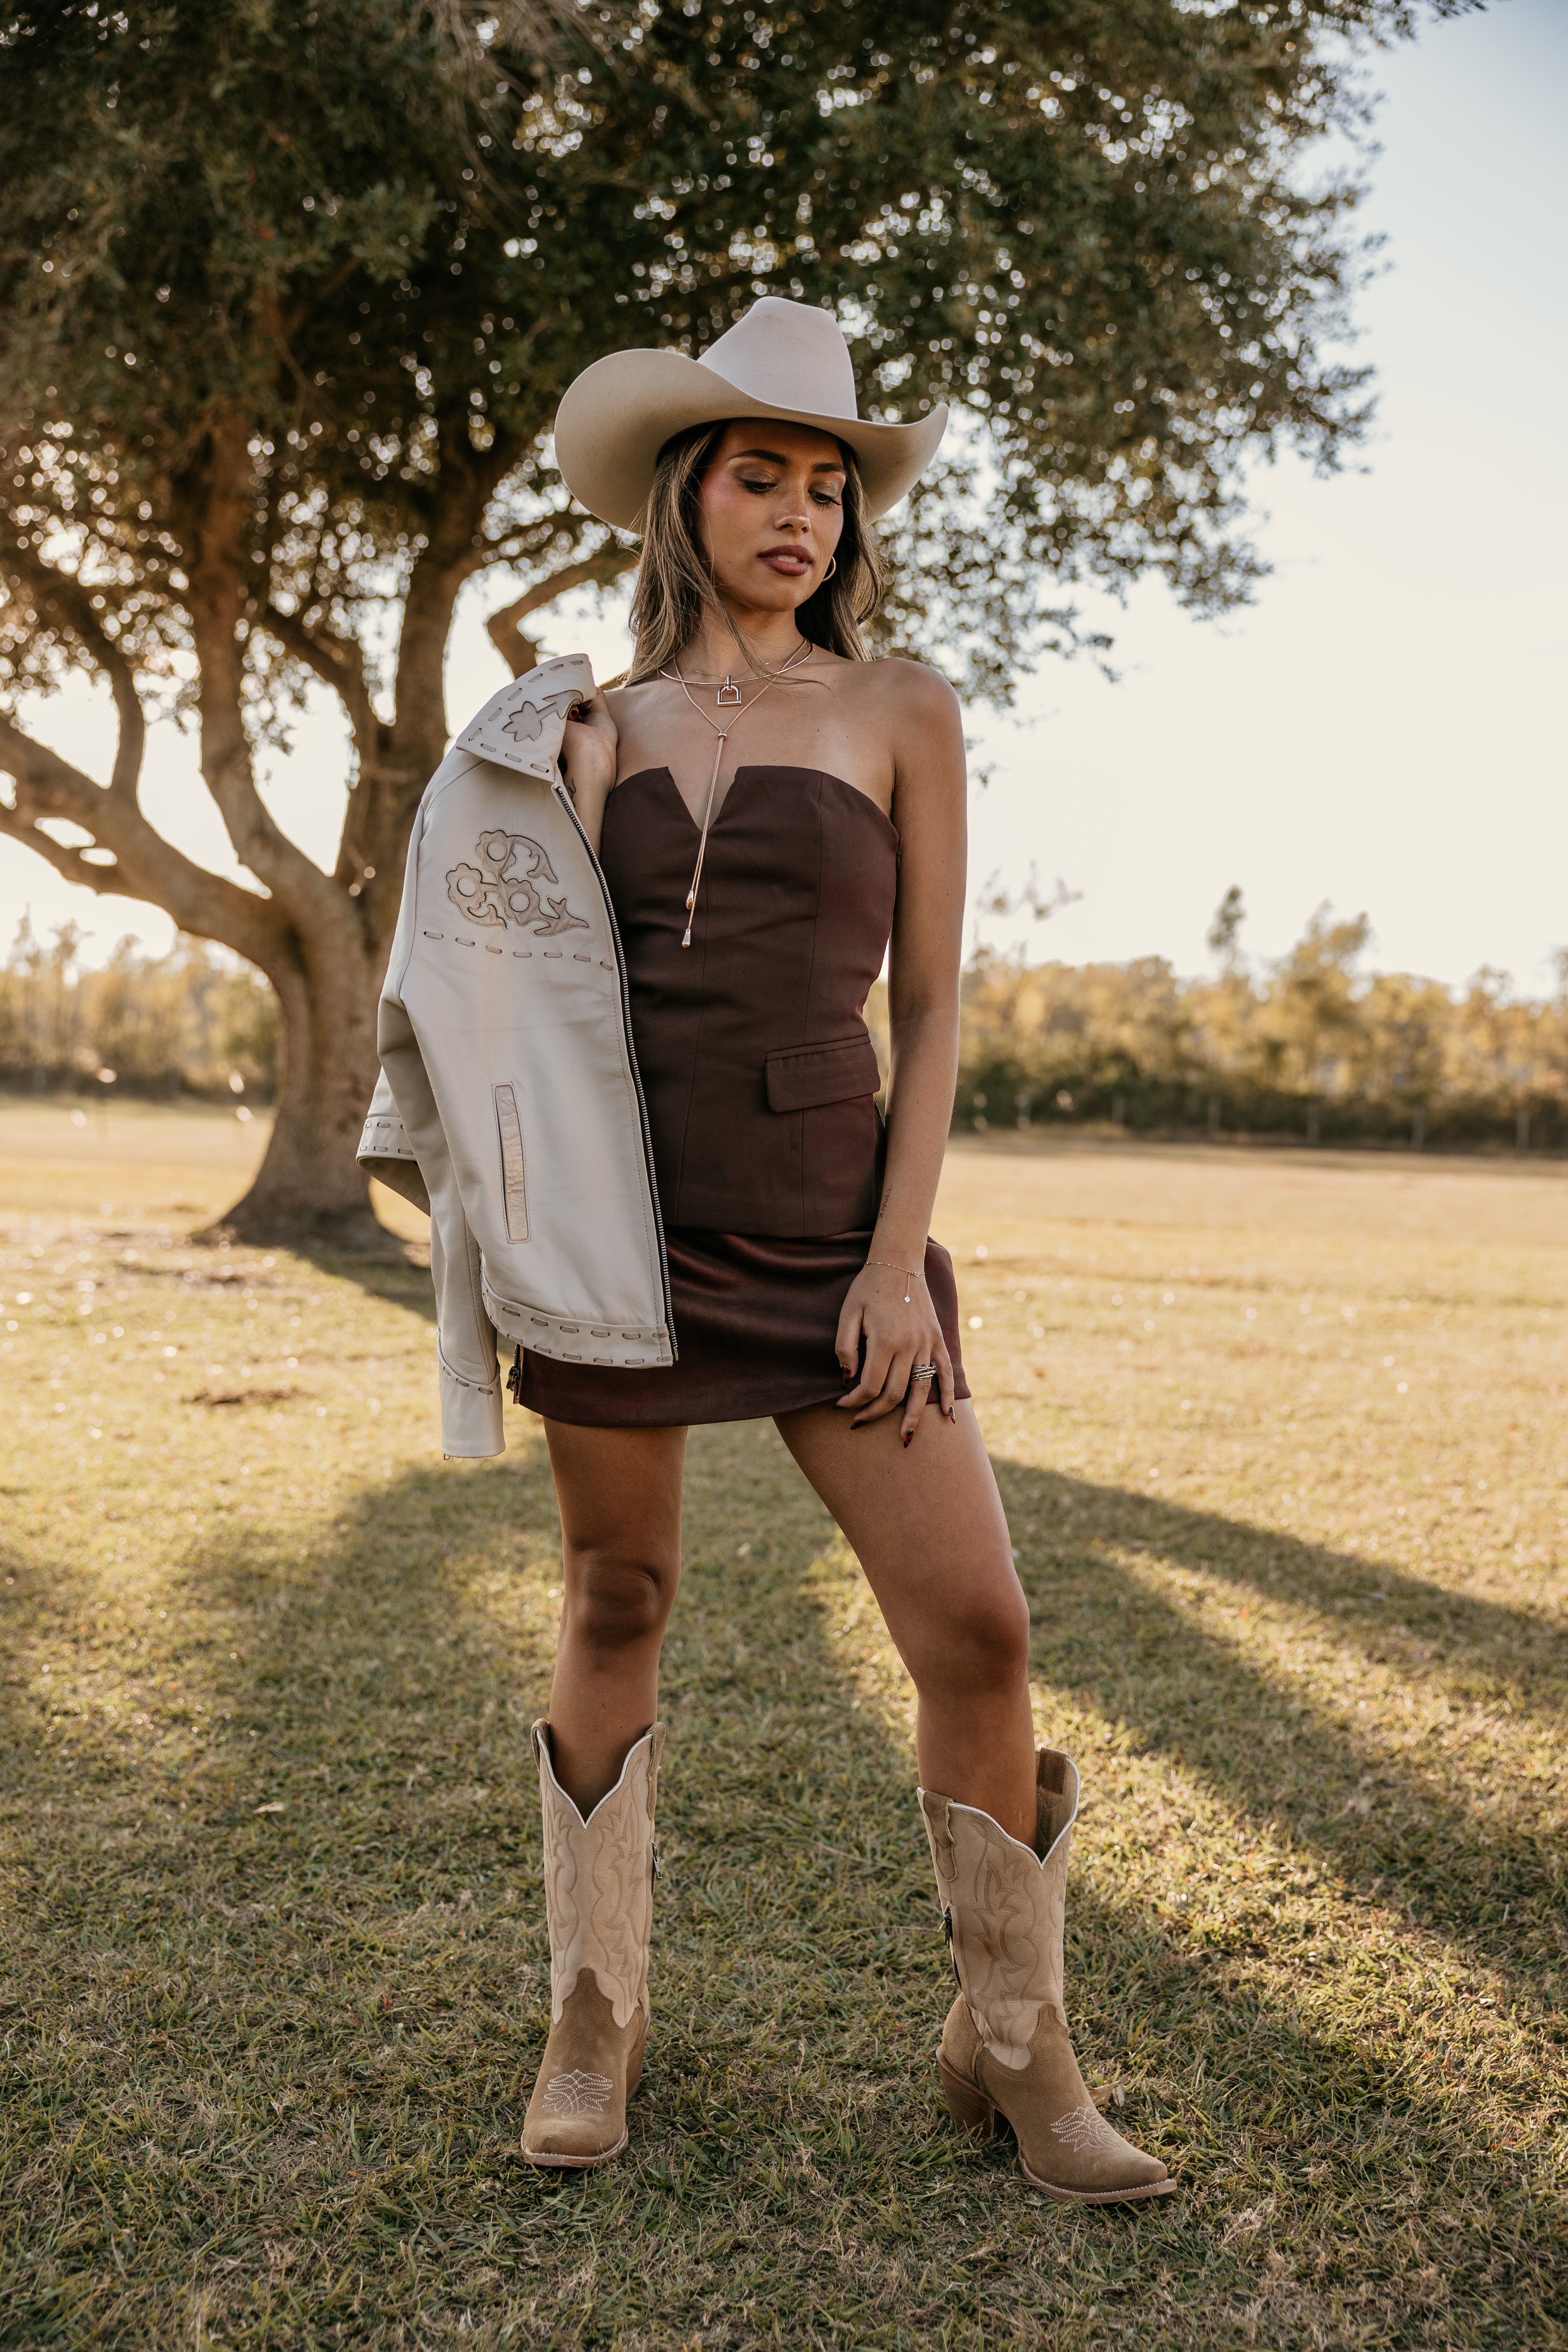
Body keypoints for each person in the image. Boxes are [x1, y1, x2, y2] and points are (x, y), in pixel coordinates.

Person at [514, 298, 1174, 2204]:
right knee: (617, 1599)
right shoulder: (591, 726)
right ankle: (591, 2013)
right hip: (622, 1241)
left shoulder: (902, 707)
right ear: (684, 495)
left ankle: (1016, 2044)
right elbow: (524, 998)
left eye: (828, 485)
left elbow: (938, 1003)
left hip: (832, 1242)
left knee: (980, 1623)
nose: (799, 512)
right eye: (760, 476)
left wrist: (899, 1261)